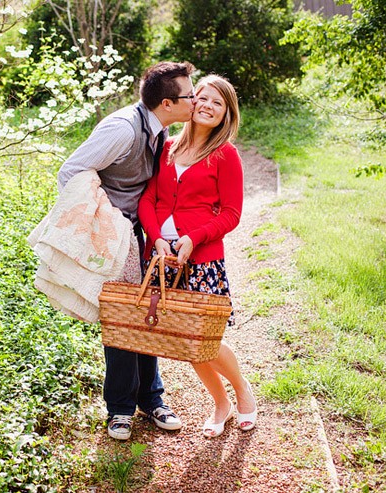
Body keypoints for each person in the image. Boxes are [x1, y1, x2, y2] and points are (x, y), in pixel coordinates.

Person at [57, 61, 196, 441]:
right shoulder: (122, 129)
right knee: (121, 320)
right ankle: (119, 409)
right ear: (167, 104)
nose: (195, 99)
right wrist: (103, 225)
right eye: (190, 94)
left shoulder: (162, 129)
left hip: (144, 237)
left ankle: (151, 401)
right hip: (115, 237)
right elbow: (71, 172)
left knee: (147, 313)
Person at [138, 74, 258, 438]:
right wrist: (156, 238)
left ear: (226, 114)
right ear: (191, 101)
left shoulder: (226, 155)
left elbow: (231, 214)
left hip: (202, 260)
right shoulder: (166, 147)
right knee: (184, 341)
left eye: (217, 103)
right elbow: (147, 200)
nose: (207, 106)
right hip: (159, 259)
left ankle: (243, 392)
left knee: (205, 337)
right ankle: (220, 403)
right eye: (202, 98)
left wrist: (194, 238)